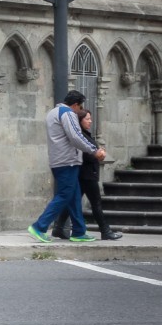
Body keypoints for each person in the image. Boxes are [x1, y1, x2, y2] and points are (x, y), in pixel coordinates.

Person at [27, 90, 106, 243]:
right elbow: (76, 136)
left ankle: (78, 231)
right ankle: (39, 226)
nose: (80, 111)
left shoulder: (53, 112)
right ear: (75, 104)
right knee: (64, 195)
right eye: (80, 107)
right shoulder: (68, 113)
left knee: (74, 196)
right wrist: (94, 151)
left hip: (59, 160)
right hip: (67, 161)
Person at [52, 110, 122, 241]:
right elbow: (84, 153)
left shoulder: (84, 135)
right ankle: (105, 231)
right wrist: (98, 153)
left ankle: (58, 228)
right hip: (86, 175)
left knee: (72, 202)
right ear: (80, 121)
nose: (90, 121)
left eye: (90, 119)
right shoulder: (80, 136)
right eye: (87, 119)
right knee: (96, 203)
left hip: (85, 174)